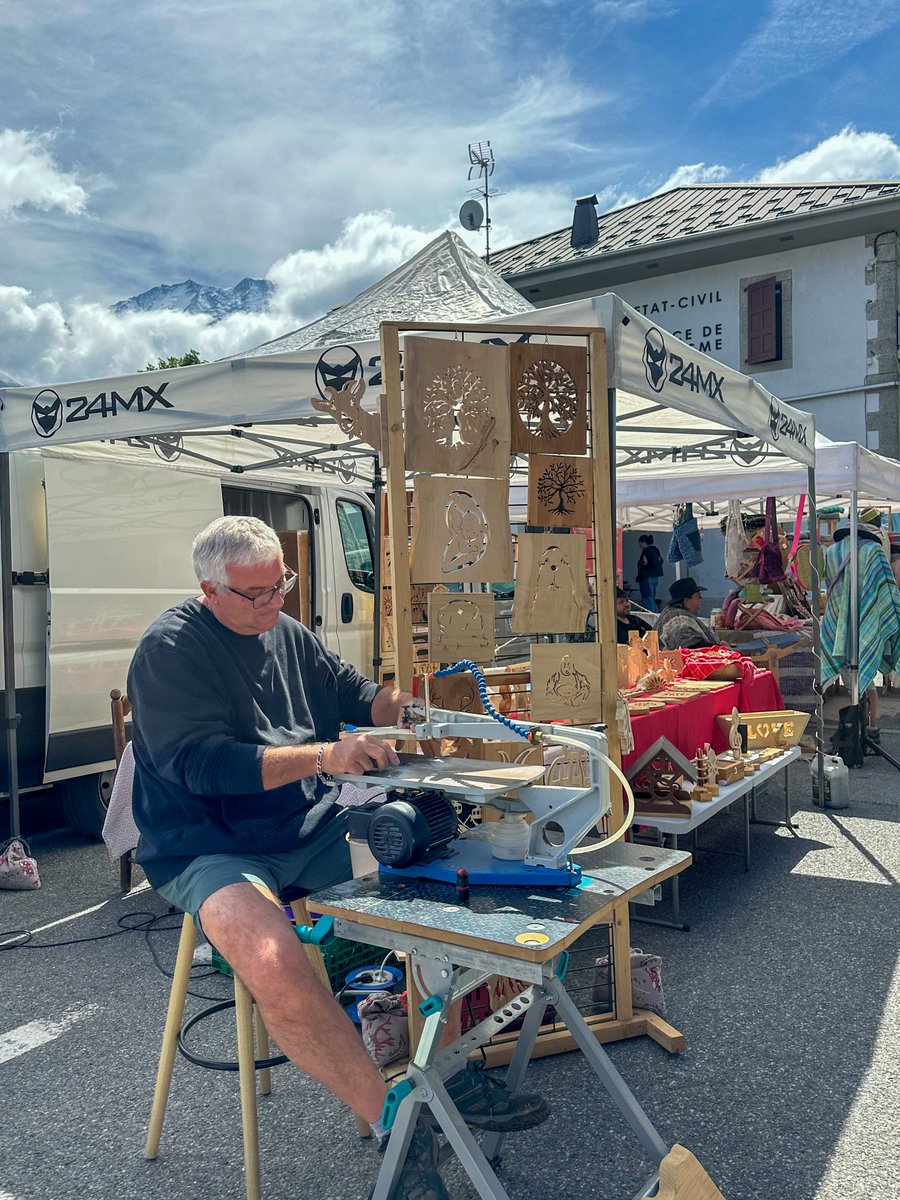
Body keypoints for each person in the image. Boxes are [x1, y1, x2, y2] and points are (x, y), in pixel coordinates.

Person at [128, 516, 548, 1200]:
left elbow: (355, 694)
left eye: (281, 585)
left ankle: (441, 1071)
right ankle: (397, 1124)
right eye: (256, 593)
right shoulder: (169, 649)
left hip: (307, 827)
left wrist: (409, 710)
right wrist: (325, 755)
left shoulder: (285, 631)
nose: (273, 603)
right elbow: (203, 766)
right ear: (209, 590)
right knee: (273, 959)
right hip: (207, 841)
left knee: (434, 895)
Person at [656, 577, 721, 650]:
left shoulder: (671, 612)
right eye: (699, 596)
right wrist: (719, 648)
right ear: (686, 600)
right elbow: (691, 645)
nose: (701, 599)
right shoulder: (679, 620)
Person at [636, 534, 664, 610]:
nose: (639, 546)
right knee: (652, 597)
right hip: (655, 577)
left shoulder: (646, 552)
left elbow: (646, 563)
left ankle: (650, 614)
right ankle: (655, 612)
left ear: (643, 542)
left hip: (647, 577)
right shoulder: (655, 551)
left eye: (640, 543)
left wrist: (642, 572)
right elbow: (661, 561)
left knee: (647, 598)